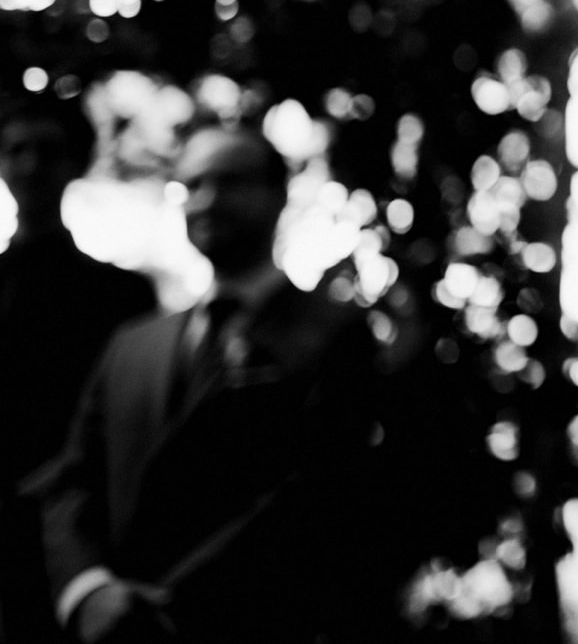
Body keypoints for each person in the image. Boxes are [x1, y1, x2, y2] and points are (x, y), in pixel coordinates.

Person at [38, 124, 389, 644]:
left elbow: (320, 490)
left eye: (230, 182)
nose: (206, 200)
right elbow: (74, 480)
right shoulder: (131, 345)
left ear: (278, 196)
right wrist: (88, 591)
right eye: (192, 185)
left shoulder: (335, 335)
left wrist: (167, 611)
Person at [0, 95, 158, 644]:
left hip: (74, 540)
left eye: (48, 151)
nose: (30, 166)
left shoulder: (120, 296)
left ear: (77, 163)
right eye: (15, 150)